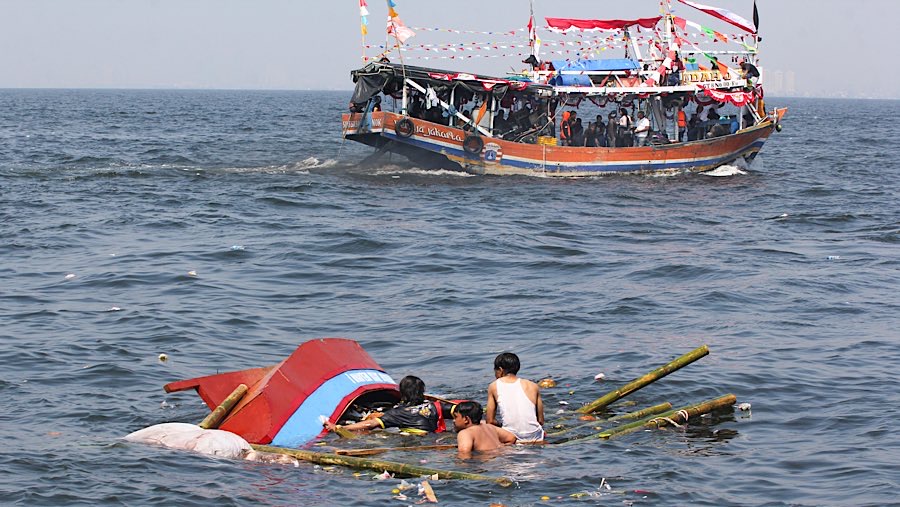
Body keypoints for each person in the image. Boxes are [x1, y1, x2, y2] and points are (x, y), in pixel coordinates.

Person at [324, 376, 451, 434]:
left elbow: (370, 424)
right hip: (434, 437)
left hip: (415, 442)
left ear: (402, 393)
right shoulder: (435, 406)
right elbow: (461, 410)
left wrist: (339, 427)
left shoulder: (398, 413)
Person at [486, 352, 545, 442]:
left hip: (512, 438)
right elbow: (540, 421)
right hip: (535, 436)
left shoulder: (494, 386)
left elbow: (489, 421)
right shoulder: (533, 385)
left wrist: (501, 424)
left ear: (500, 370)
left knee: (482, 424)